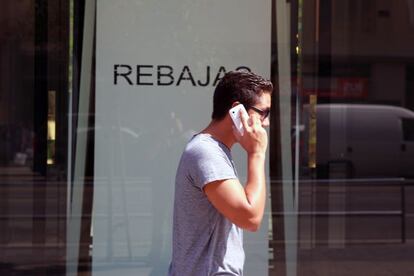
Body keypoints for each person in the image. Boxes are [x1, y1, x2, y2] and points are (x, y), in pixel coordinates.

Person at [168, 70, 273, 276]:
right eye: (263, 112)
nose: (266, 123)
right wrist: (257, 153)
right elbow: (250, 218)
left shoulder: (213, 150)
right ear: (237, 110)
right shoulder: (207, 153)